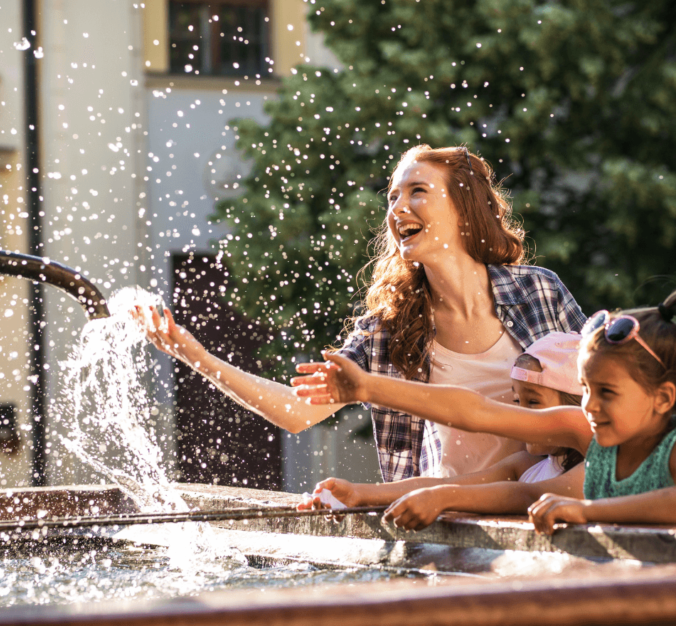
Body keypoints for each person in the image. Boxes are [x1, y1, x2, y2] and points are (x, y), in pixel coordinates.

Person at [134, 144, 586, 482]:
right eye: (392, 196)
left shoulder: (538, 291)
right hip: (446, 525)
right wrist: (197, 357)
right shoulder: (390, 326)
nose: (397, 208)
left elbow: (600, 397)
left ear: (462, 207)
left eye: (417, 191)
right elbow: (297, 412)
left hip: (544, 510)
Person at [293, 287, 676, 533]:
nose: (591, 406)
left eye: (606, 393)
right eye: (585, 389)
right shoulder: (589, 431)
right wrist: (368, 387)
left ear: (663, 399)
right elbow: (476, 412)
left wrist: (585, 511)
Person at [297, 333, 589, 530]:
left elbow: (527, 496)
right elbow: (466, 481)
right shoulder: (530, 464)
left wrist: (442, 498)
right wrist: (360, 494)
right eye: (517, 401)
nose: (520, 413)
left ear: (575, 403)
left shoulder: (592, 451)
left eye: (534, 402)